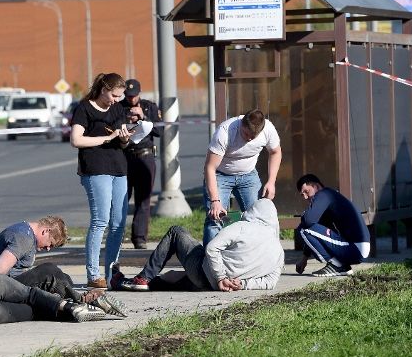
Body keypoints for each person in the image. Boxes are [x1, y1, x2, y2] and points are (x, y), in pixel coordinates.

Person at [111, 198, 284, 292]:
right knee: (172, 277)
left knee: (176, 231)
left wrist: (221, 277)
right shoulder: (278, 251)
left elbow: (212, 248)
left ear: (253, 212)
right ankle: (126, 283)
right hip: (220, 287)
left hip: (208, 275)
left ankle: (143, 277)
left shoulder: (242, 227)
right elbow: (270, 282)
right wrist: (242, 285)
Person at [0, 216, 127, 317]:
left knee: (63, 278)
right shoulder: (23, 238)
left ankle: (73, 303)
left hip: (8, 285)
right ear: (46, 231)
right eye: (50, 244)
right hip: (0, 289)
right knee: (49, 271)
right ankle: (83, 301)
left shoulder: (25, 232)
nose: (48, 249)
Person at [70, 72, 132, 289]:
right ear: (104, 89)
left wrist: (124, 138)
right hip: (96, 169)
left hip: (119, 168)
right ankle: (93, 274)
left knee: (118, 224)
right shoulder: (84, 108)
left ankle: (112, 272)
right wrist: (106, 138)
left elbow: (122, 143)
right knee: (100, 221)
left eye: (120, 97)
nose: (116, 100)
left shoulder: (117, 109)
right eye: (114, 95)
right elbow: (75, 140)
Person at [203, 109, 282, 246]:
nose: (249, 139)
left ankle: (258, 258)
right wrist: (215, 200)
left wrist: (271, 182)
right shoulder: (225, 132)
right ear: (241, 124)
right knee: (215, 219)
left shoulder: (268, 129)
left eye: (254, 136)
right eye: (246, 134)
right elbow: (209, 168)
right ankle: (209, 262)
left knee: (259, 217)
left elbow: (275, 152)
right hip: (220, 175)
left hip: (248, 175)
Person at [294, 174, 371, 277]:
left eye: (306, 191)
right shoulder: (329, 196)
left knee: (303, 228)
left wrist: (304, 214)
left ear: (316, 186)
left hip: (355, 248)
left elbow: (308, 221)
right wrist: (304, 259)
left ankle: (336, 265)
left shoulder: (323, 194)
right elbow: (315, 230)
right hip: (356, 248)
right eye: (302, 194)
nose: (305, 197)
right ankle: (342, 266)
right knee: (309, 227)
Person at [120, 78, 162, 249]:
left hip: (145, 156)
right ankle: (117, 235)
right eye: (128, 96)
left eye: (134, 96)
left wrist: (143, 117)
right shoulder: (119, 107)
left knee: (143, 200)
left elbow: (160, 130)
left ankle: (139, 238)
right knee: (121, 199)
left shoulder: (149, 107)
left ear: (139, 93)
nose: (131, 99)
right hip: (125, 157)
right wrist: (127, 118)